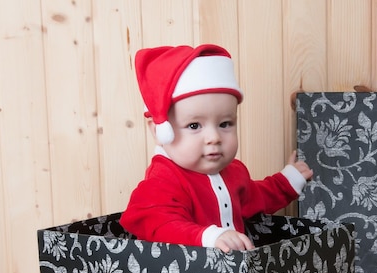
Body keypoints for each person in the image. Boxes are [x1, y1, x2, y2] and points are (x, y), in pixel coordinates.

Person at [120, 44, 313, 253]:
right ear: (160, 131)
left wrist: (287, 181)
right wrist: (209, 236)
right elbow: (158, 225)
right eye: (194, 126)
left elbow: (257, 197)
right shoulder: (163, 181)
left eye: (225, 124)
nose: (214, 138)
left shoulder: (234, 173)